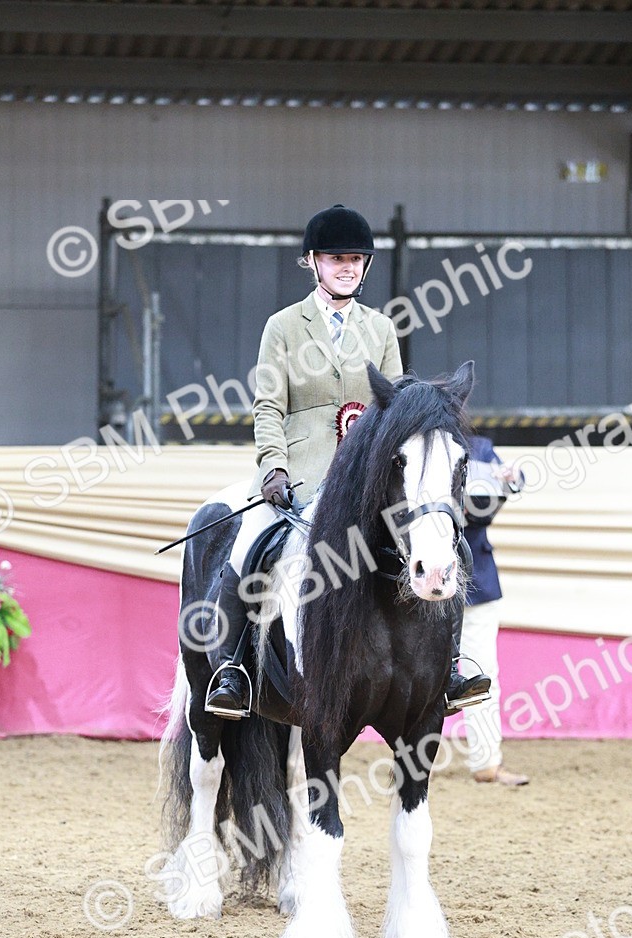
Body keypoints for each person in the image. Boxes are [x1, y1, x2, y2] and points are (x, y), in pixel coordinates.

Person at [206, 203, 490, 719]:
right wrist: (273, 467)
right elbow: (268, 405)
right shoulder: (283, 327)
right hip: (298, 474)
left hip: (366, 481)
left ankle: (449, 666)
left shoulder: (381, 329)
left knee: (448, 546)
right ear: (313, 261)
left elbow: (400, 409)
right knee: (249, 545)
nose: (347, 267)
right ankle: (232, 670)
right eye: (336, 258)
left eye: (355, 259)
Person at [459, 435, 529, 786]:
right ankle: (410, 761)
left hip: (476, 580)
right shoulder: (415, 444)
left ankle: (486, 761)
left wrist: (511, 478)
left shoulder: (481, 448)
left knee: (483, 673)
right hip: (425, 584)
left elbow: (514, 481)